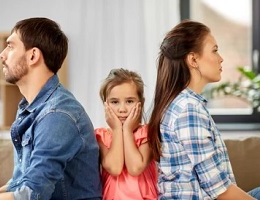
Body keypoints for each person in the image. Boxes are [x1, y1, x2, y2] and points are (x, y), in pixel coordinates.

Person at [0, 17, 102, 200]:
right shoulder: (31, 108)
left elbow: (31, 194)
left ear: (33, 56)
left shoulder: (57, 115)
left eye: (10, 47)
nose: (1, 55)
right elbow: (21, 183)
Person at [148, 19, 260, 199]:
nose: (221, 58)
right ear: (193, 59)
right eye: (215, 50)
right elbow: (219, 190)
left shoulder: (185, 103)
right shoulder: (188, 109)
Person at [95, 68, 158, 200]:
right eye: (114, 102)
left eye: (129, 101)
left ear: (141, 103)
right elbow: (115, 168)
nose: (122, 109)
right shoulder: (101, 136)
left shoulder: (147, 133)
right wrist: (118, 130)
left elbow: (135, 168)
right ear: (105, 105)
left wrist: (127, 130)